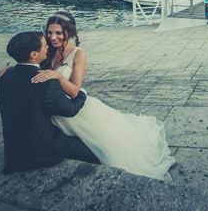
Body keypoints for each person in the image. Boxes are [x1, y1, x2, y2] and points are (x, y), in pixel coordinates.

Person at [33, 11, 175, 181]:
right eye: (49, 33)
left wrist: (58, 76)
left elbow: (75, 90)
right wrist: (13, 68)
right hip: (54, 107)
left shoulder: (78, 53)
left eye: (58, 33)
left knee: (108, 144)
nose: (53, 37)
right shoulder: (47, 51)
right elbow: (32, 67)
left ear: (69, 33)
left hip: (72, 105)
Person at [0, 31, 100, 173]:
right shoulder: (46, 82)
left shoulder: (3, 77)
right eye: (45, 45)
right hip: (41, 149)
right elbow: (70, 110)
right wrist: (82, 93)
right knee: (93, 148)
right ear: (33, 55)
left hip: (13, 150)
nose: (48, 48)